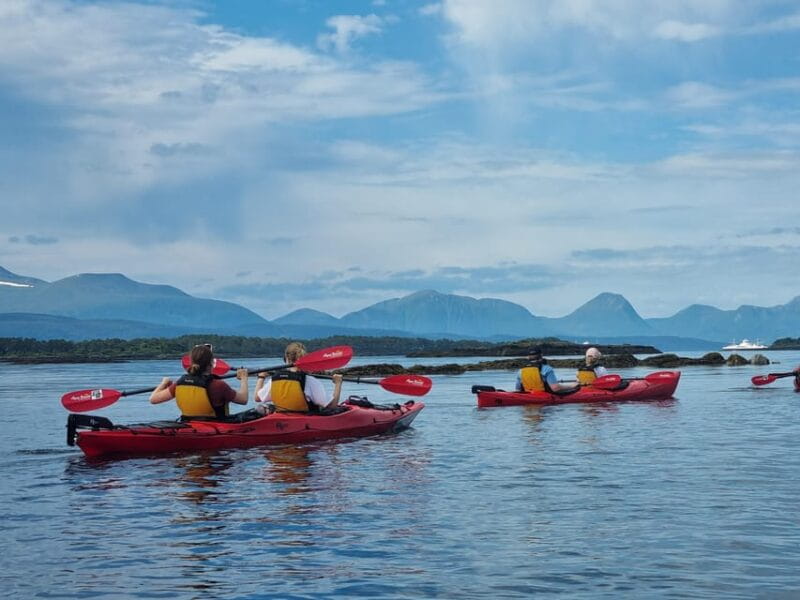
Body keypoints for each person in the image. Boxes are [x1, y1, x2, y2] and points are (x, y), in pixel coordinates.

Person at [150, 343, 249, 419]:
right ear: (211, 363)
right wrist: (244, 379)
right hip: (218, 427)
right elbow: (243, 400)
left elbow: (153, 399)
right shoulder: (219, 385)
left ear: (191, 362)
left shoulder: (179, 383)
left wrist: (163, 384)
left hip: (189, 424)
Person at [254, 342, 343, 413]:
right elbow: (332, 406)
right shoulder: (310, 381)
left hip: (281, 419)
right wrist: (338, 384)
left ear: (286, 358)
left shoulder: (275, 379)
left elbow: (257, 398)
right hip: (304, 422)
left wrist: (261, 377)